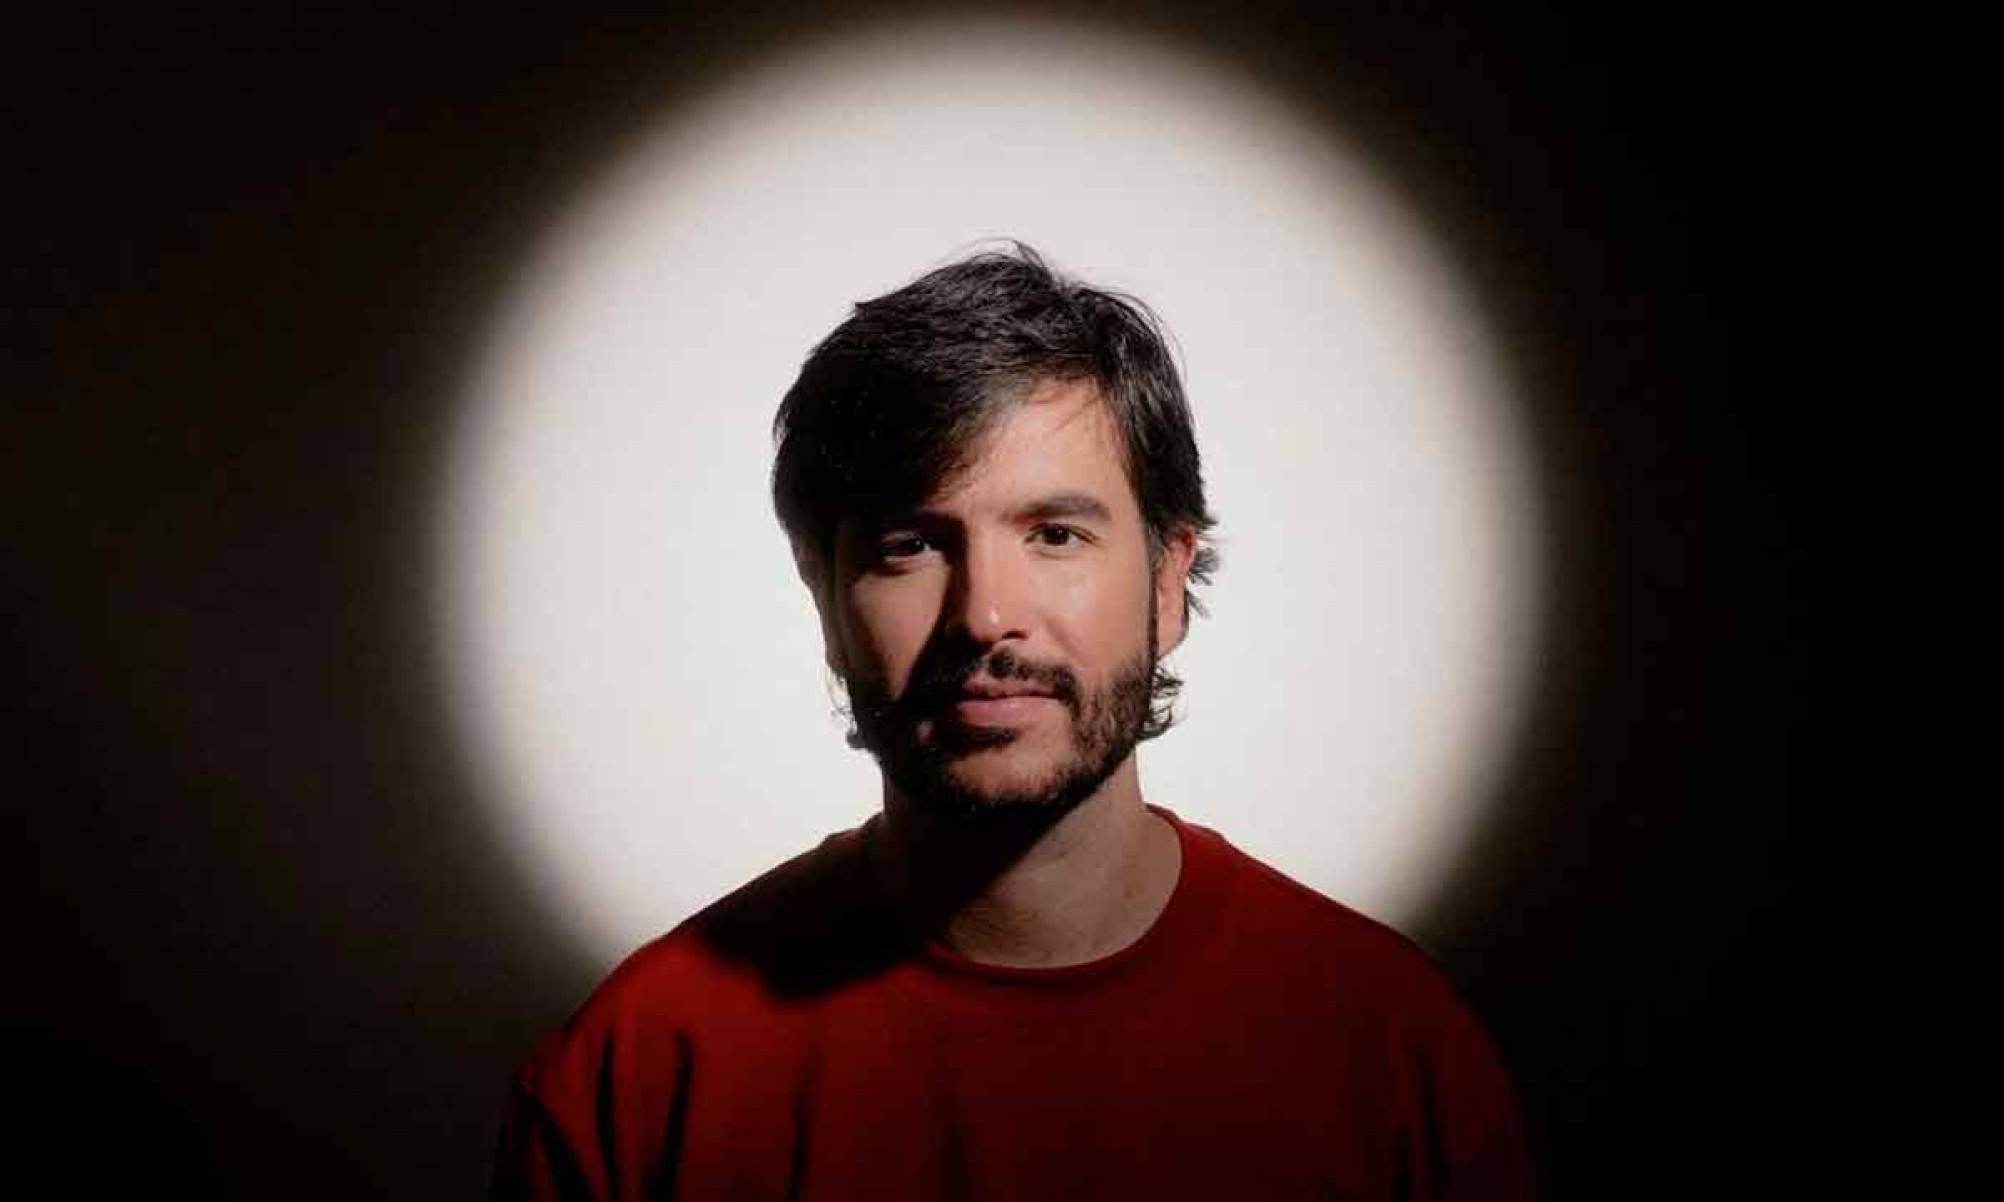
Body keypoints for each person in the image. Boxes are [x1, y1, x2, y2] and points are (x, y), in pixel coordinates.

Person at [491, 245, 1532, 1200]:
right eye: (909, 545)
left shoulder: (1393, 1050)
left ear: (1169, 580)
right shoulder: (640, 1073)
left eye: (1056, 534)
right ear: (824, 596)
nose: (986, 615)